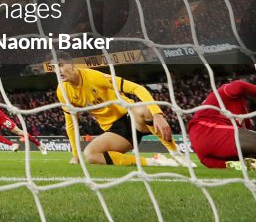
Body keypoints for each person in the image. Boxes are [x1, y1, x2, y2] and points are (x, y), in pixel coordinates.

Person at [56, 62, 191, 167]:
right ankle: (155, 162)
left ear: (72, 66)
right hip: (115, 131)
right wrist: (75, 155)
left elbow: (137, 88)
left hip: (131, 116)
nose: (58, 69)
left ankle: (176, 154)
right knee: (91, 155)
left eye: (60, 65)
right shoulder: (62, 91)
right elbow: (71, 123)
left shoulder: (93, 77)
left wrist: (157, 114)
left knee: (145, 109)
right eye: (54, 67)